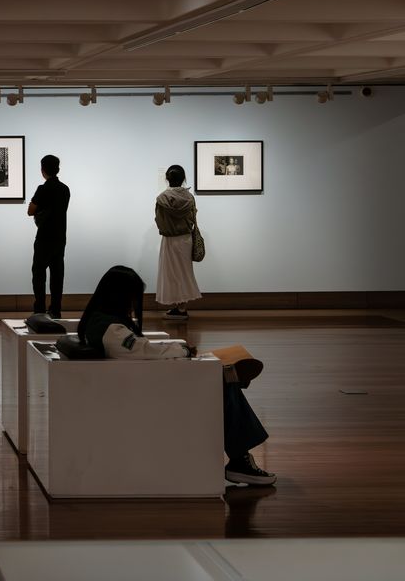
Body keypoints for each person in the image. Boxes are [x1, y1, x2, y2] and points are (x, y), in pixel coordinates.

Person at [77, 265, 276, 487]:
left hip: (134, 387)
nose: (133, 306)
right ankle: (239, 457)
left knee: (221, 380)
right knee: (221, 385)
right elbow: (144, 351)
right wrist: (181, 350)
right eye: (132, 298)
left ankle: (228, 379)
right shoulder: (112, 330)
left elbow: (141, 350)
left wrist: (177, 347)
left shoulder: (98, 321)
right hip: (143, 396)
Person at [155, 164, 201, 320]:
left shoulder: (162, 198)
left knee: (171, 273)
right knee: (184, 272)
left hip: (169, 239)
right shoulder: (190, 198)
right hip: (185, 239)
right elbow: (193, 217)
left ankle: (175, 306)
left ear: (167, 178)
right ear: (183, 179)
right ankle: (182, 308)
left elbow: (159, 220)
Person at [28, 154, 70, 317]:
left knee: (38, 274)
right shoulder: (65, 189)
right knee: (57, 275)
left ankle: (39, 310)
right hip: (60, 237)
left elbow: (31, 210)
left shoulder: (43, 189)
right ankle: (55, 310)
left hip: (44, 236)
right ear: (57, 169)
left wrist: (39, 210)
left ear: (43, 170)